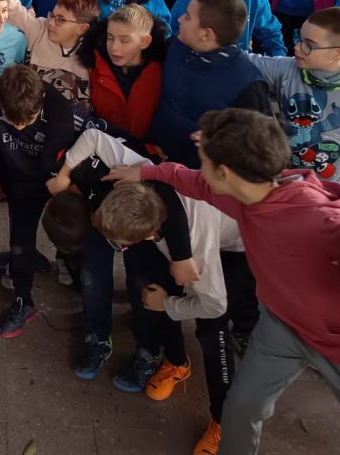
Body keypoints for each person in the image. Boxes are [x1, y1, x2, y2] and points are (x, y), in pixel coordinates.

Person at [107, 109, 340, 455]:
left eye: (204, 159)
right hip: (281, 327)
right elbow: (185, 177)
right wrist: (146, 171)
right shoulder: (239, 194)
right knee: (241, 407)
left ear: (225, 172)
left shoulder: (323, 221)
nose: (199, 166)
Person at [93, 181, 254, 455]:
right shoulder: (146, 189)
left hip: (238, 248)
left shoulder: (195, 239)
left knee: (212, 331)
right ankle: (178, 363)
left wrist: (168, 304)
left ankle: (223, 422)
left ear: (147, 234)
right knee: (154, 290)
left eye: (121, 245)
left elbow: (214, 305)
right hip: (194, 235)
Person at [43, 127, 196, 385]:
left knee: (142, 282)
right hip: (108, 215)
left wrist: (182, 257)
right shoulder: (76, 199)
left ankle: (147, 350)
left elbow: (93, 136)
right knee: (92, 275)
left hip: (140, 213)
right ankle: (98, 338)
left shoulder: (129, 170)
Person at [249, 7, 340, 213]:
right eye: (299, 38)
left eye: (309, 45)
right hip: (295, 193)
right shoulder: (287, 70)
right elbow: (238, 60)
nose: (298, 47)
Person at [0, 64, 83, 336]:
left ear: (41, 99)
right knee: (20, 238)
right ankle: (23, 299)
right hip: (19, 183)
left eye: (27, 120)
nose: (19, 126)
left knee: (70, 233)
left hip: (57, 181)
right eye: (12, 121)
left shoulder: (66, 114)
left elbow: (96, 140)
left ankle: (73, 269)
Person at [151, 0, 270, 167]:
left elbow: (258, 145)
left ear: (206, 34)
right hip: (154, 159)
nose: (180, 19)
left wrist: (224, 144)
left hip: (201, 176)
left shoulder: (248, 84)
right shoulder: (174, 47)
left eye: (188, 17)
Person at [77, 4, 168, 141]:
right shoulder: (93, 65)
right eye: (110, 38)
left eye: (124, 40)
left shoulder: (161, 73)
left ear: (145, 41)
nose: (114, 48)